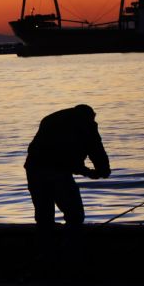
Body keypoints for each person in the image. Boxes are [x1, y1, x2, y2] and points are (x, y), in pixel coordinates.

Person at [24, 104, 110, 275]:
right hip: (55, 172)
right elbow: (94, 148)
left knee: (44, 217)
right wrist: (100, 171)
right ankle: (69, 259)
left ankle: (46, 258)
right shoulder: (85, 124)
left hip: (35, 171)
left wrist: (90, 170)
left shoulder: (51, 120)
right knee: (75, 215)